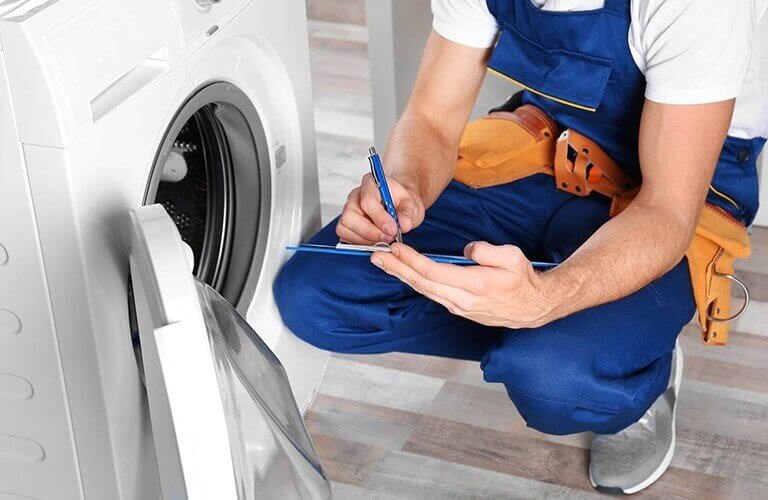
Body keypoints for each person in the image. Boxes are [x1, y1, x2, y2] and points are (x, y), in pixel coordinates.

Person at [275, 0, 768, 493]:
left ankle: (630, 368)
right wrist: (405, 186)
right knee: (314, 296)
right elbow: (432, 117)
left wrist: (548, 299)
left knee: (552, 379)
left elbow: (666, 209)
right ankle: (588, 346)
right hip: (549, 150)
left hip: (677, 187)